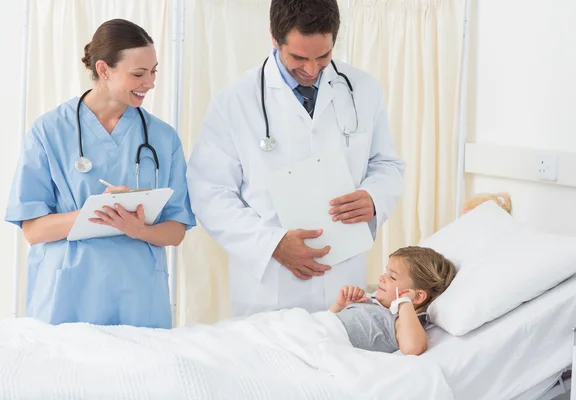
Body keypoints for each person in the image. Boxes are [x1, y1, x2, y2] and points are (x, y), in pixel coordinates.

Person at [186, 0, 405, 317]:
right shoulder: (235, 101)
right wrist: (271, 245)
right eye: (299, 57)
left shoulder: (364, 90)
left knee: (341, 361)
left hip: (344, 280)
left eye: (323, 56)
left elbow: (387, 164)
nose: (312, 70)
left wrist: (373, 197)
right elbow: (209, 191)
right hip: (271, 286)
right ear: (274, 38)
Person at [4, 19, 196, 328]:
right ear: (104, 69)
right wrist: (98, 212)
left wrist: (139, 229)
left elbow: (176, 230)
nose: (149, 83)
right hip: (67, 296)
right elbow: (33, 230)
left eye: (153, 71)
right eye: (138, 74)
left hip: (139, 297)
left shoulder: (162, 138)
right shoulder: (50, 130)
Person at [328, 246, 457, 355]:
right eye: (386, 272)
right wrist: (339, 306)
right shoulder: (369, 302)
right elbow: (327, 322)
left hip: (325, 344)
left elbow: (413, 347)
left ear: (417, 297)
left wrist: (405, 303)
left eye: (392, 277)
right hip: (317, 330)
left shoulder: (399, 321)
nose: (381, 278)